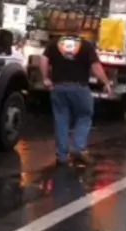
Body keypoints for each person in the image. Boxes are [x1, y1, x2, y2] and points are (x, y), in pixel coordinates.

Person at [39, 34, 113, 166]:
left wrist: (45, 78)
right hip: (79, 88)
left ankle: (62, 156)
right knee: (84, 115)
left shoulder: (54, 43)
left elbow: (44, 59)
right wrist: (106, 82)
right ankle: (78, 148)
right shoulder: (86, 45)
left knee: (61, 120)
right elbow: (95, 66)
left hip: (58, 87)